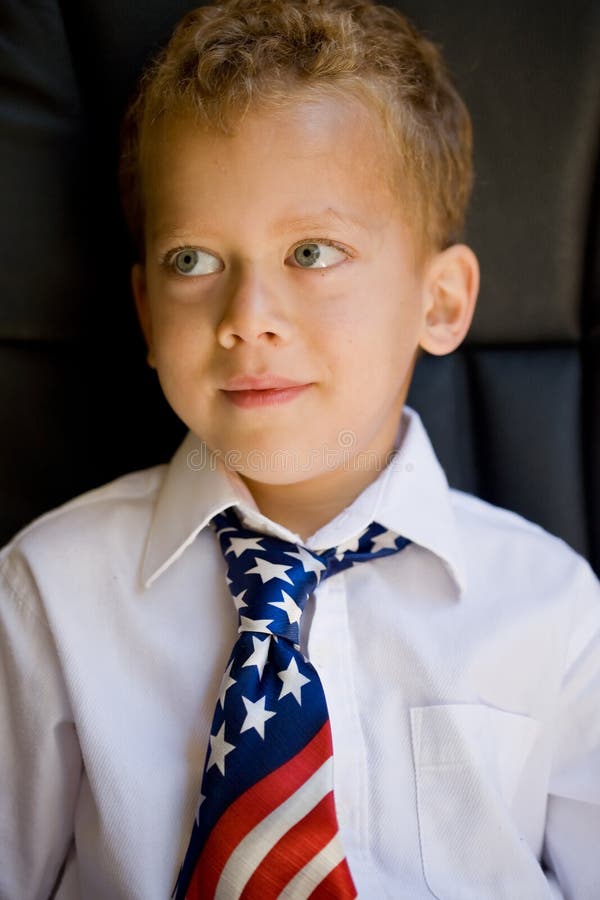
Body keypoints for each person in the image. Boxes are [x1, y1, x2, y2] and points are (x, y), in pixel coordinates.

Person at [1, 0, 599, 897]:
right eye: (193, 262)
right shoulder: (47, 591)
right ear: (145, 314)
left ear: (439, 302)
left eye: (312, 252)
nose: (246, 321)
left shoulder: (552, 610)